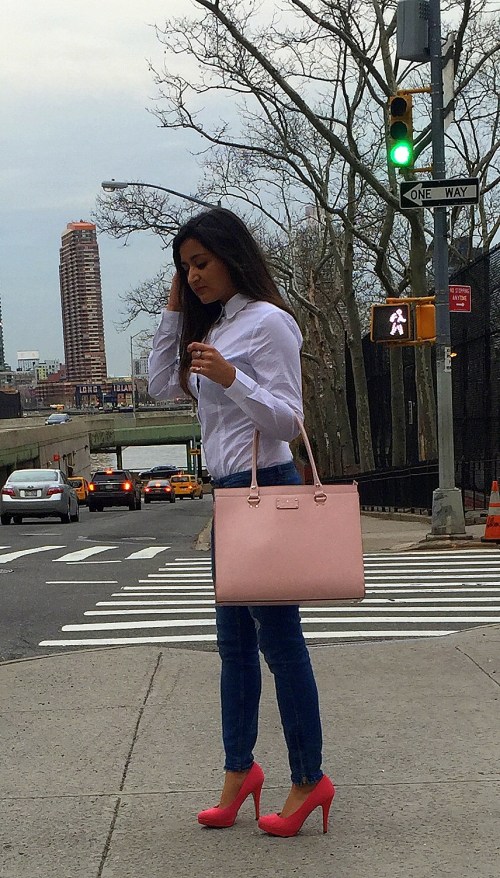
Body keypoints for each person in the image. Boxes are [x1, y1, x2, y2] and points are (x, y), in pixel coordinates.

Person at [148, 207, 334, 838]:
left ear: (232, 255)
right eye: (184, 267)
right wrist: (175, 307)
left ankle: (309, 779)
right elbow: (155, 385)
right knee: (233, 650)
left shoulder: (269, 323)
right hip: (228, 499)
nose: (194, 275)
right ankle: (239, 774)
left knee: (281, 646)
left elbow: (286, 421)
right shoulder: (215, 326)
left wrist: (231, 379)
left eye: (201, 263)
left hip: (268, 489)